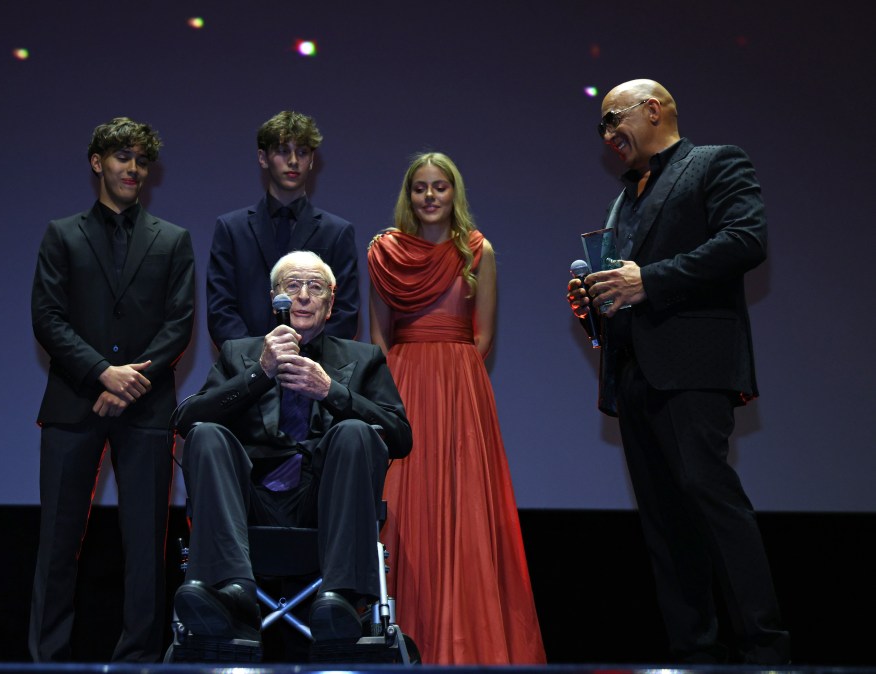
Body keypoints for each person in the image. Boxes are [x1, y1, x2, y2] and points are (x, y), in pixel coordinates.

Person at [566, 79, 790, 665]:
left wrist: (650, 280)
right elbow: (632, 283)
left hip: (694, 368)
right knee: (665, 525)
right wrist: (602, 296)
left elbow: (746, 239)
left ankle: (767, 653)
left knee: (711, 502)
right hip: (634, 373)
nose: (609, 135)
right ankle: (694, 654)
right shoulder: (623, 199)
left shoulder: (715, 163)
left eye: (613, 120)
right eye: (603, 127)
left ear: (654, 108)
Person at [171, 250, 412, 651]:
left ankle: (345, 596)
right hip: (250, 502)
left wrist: (333, 392)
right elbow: (186, 418)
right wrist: (258, 374)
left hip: (324, 503)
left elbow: (400, 437)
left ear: (330, 303)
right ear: (274, 299)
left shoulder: (363, 358)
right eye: (292, 286)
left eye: (314, 287)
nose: (302, 296)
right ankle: (229, 591)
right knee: (207, 434)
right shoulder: (239, 353)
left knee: (355, 431)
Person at [367, 152, 545, 665]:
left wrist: (453, 378)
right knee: (404, 505)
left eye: (439, 187)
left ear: (454, 193)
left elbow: (483, 336)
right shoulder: (385, 251)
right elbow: (378, 335)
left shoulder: (477, 250)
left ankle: (465, 640)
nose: (429, 196)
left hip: (460, 385)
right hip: (402, 383)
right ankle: (403, 635)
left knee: (463, 503)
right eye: (420, 187)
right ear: (409, 194)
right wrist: (392, 387)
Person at [29, 117, 196, 663]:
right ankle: (48, 660)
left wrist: (130, 382)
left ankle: (138, 661)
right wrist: (103, 373)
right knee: (57, 543)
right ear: (97, 162)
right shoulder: (62, 234)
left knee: (145, 545)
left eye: (141, 160)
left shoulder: (173, 239)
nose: (133, 169)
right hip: (74, 405)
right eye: (122, 157)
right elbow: (48, 318)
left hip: (145, 408)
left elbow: (179, 323)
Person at [206, 110, 359, 349]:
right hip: (247, 369)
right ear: (263, 157)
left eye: (302, 152)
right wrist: (257, 360)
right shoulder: (231, 229)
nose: (293, 161)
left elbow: (344, 313)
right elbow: (221, 310)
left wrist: (302, 360)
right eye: (282, 151)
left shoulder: (337, 232)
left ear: (312, 160)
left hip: (315, 369)